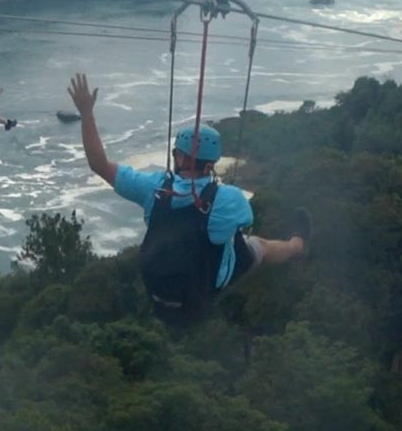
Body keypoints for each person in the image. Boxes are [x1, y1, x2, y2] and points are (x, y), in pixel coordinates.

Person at [65, 73, 308, 326]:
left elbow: (99, 164)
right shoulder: (229, 199)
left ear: (179, 158)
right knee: (259, 245)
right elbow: (245, 220)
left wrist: (86, 112)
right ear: (212, 163)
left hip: (159, 295)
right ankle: (297, 245)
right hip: (202, 293)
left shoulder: (155, 188)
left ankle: (295, 246)